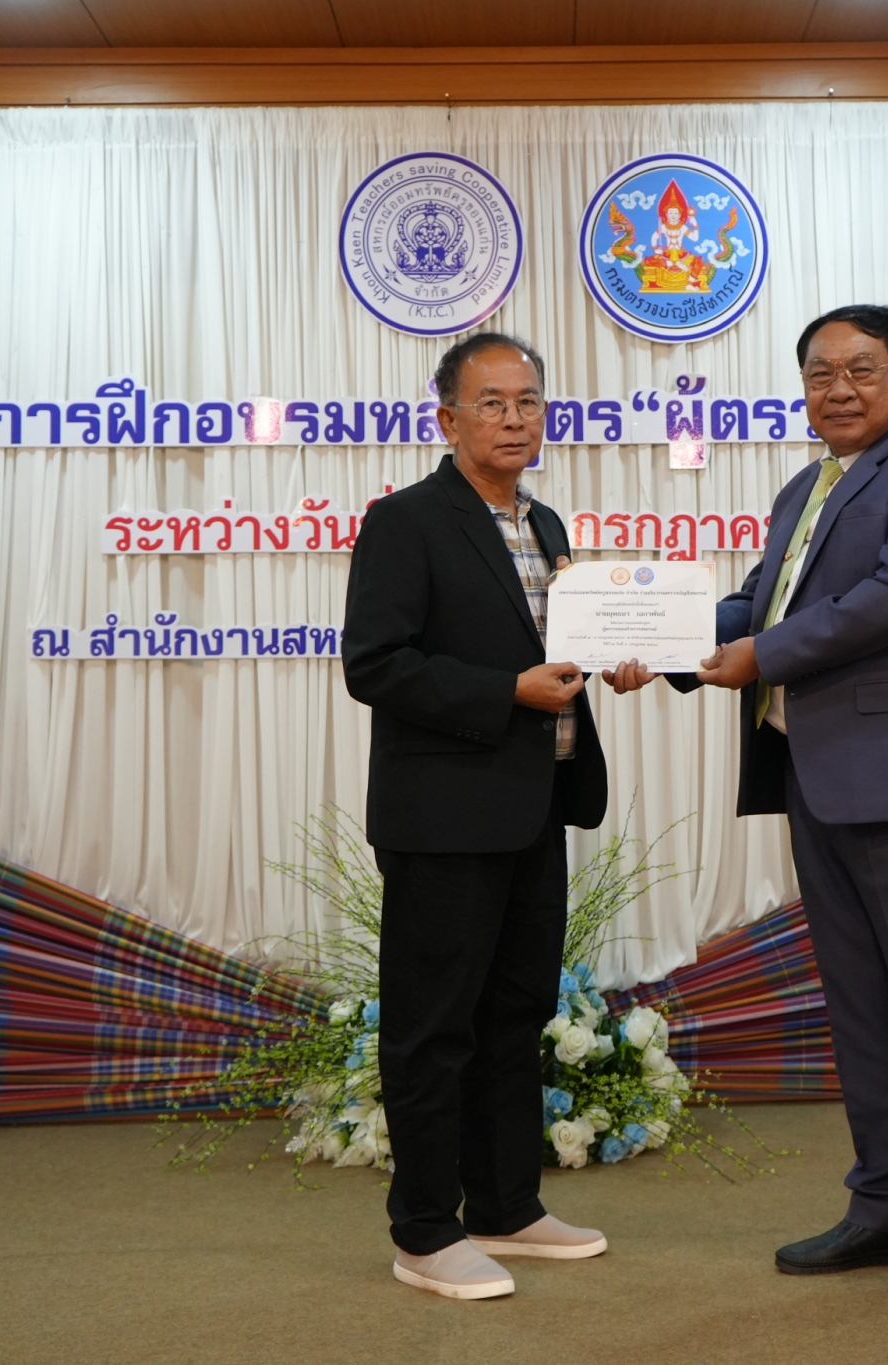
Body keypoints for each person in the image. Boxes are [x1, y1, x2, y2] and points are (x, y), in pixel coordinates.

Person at [605, 304, 888, 1311]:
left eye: (861, 369)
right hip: (812, 773)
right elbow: (757, 605)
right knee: (860, 1007)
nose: (839, 388)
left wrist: (762, 654)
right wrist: (652, 640)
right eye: (820, 373)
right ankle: (883, 1205)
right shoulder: (805, 487)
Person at [342, 332, 611, 1301]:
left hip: (536, 807)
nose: (513, 418)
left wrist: (615, 655)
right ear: (447, 416)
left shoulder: (544, 523)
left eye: (528, 401)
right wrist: (506, 691)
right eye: (491, 402)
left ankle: (505, 1206)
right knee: (432, 1028)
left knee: (516, 1016)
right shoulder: (406, 521)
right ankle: (424, 1230)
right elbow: (376, 665)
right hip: (444, 819)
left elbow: (559, 657)